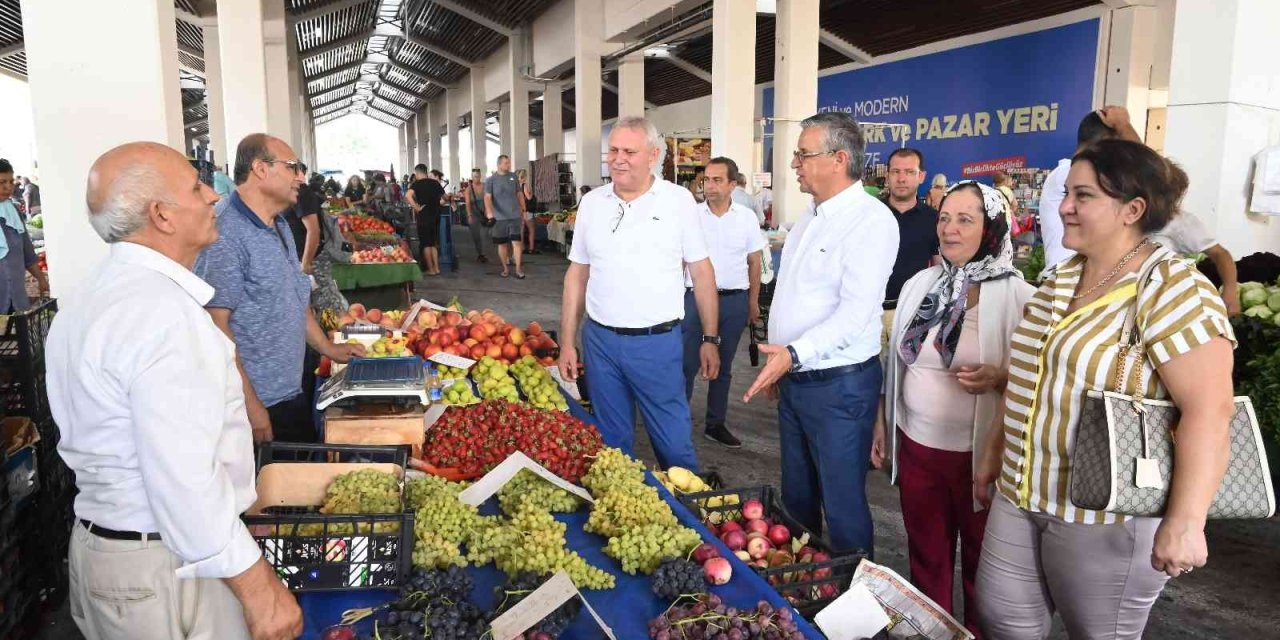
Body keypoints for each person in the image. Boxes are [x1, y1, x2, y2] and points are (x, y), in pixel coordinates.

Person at [974, 139, 1235, 639]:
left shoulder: (1172, 288)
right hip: (1020, 494)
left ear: (1132, 209)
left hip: (1105, 514)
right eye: (1067, 193)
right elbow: (1027, 375)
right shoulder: (1061, 279)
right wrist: (993, 453)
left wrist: (1186, 520)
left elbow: (1210, 411)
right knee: (1005, 622)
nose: (1065, 207)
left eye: (1084, 196)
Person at [45, 141, 303, 640]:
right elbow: (183, 477)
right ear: (162, 215)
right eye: (195, 186)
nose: (211, 195)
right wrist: (258, 587)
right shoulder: (161, 313)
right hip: (166, 563)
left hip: (118, 554)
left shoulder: (94, 294)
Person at [875, 181, 1035, 637]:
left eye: (966, 219)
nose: (949, 228)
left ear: (992, 228)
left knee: (986, 566)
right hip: (919, 447)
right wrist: (884, 422)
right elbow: (897, 364)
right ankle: (934, 630)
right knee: (926, 556)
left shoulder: (1020, 298)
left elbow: (1044, 378)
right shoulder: (921, 286)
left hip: (984, 457)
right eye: (945, 217)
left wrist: (1002, 377)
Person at [743, 111, 899, 556]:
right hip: (796, 379)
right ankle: (806, 585)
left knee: (842, 502)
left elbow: (855, 313)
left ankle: (856, 603)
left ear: (838, 159)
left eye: (803, 154)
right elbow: (793, 295)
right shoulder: (808, 219)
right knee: (797, 499)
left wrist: (791, 354)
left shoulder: (871, 221)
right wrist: (783, 364)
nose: (794, 163)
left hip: (839, 386)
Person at [557, 116, 721, 471]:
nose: (618, 159)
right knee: (611, 445)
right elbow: (577, 274)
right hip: (600, 341)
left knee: (673, 443)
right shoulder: (592, 203)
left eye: (629, 151)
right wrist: (568, 341)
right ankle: (620, 512)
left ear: (653, 155)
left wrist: (710, 337)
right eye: (613, 150)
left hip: (656, 343)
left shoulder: (677, 202)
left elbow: (702, 272)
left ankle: (686, 514)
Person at [196, 134, 364, 445]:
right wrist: (251, 406)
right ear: (260, 169)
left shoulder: (279, 224)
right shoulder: (226, 234)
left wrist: (328, 349)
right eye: (292, 167)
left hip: (290, 388)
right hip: (259, 401)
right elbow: (215, 328)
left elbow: (295, 299)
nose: (301, 177)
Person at [681, 157, 765, 449]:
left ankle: (715, 424)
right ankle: (677, 424)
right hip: (694, 301)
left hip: (733, 301)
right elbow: (679, 260)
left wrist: (752, 302)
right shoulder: (691, 215)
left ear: (733, 184)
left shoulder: (746, 218)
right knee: (687, 364)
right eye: (707, 180)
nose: (710, 186)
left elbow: (755, 262)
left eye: (717, 180)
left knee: (724, 365)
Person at [1038, 105, 1142, 276]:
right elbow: (1151, 176)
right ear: (1105, 145)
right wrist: (1123, 126)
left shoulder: (1067, 174)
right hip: (1067, 280)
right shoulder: (1072, 173)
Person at [881, 148, 940, 351]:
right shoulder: (871, 215)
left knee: (906, 376)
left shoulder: (934, 219)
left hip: (912, 311)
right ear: (887, 176)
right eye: (896, 172)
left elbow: (939, 267)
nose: (901, 178)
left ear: (921, 176)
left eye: (909, 172)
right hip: (870, 312)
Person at [1149, 205, 1242, 315]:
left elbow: (1219, 253)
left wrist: (1230, 292)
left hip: (1163, 301)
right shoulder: (1127, 217)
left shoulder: (1180, 221)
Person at [0, 160, 47, 309]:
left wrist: (41, 279)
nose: (8, 187)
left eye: (10, 181)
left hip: (16, 298)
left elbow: (27, 252)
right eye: (2, 182)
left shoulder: (13, 213)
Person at [484, 155, 526, 279]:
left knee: (517, 243)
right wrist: (490, 213)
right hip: (499, 218)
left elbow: (519, 193)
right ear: (499, 164)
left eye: (509, 163)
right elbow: (487, 197)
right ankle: (505, 269)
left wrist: (523, 209)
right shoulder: (491, 180)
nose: (509, 165)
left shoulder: (513, 177)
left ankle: (518, 269)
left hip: (514, 216)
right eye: (506, 163)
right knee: (502, 244)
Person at [407, 163, 444, 276]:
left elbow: (408, 196)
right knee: (433, 243)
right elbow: (445, 197)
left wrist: (417, 208)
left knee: (426, 244)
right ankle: (437, 268)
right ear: (426, 171)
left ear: (417, 173)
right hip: (435, 217)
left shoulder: (416, 184)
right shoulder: (435, 183)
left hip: (423, 217)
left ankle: (431, 269)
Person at [284, 167, 321, 274]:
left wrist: (305, 263)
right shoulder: (287, 191)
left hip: (299, 257)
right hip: (290, 256)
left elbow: (313, 231)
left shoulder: (302, 193)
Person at [461, 168, 490, 263]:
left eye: (477, 176)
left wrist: (488, 211)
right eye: (474, 176)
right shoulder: (468, 189)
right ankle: (480, 253)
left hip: (484, 213)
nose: (476, 178)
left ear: (480, 176)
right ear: (472, 177)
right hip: (474, 214)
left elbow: (489, 199)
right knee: (476, 235)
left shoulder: (485, 187)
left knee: (484, 234)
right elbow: (468, 203)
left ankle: (484, 253)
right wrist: (469, 215)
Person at [518, 168, 540, 254]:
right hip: (526, 210)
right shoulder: (524, 185)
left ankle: (522, 247)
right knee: (531, 229)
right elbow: (528, 197)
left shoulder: (516, 185)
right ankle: (531, 248)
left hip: (518, 210)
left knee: (521, 230)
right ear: (525, 176)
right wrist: (531, 193)